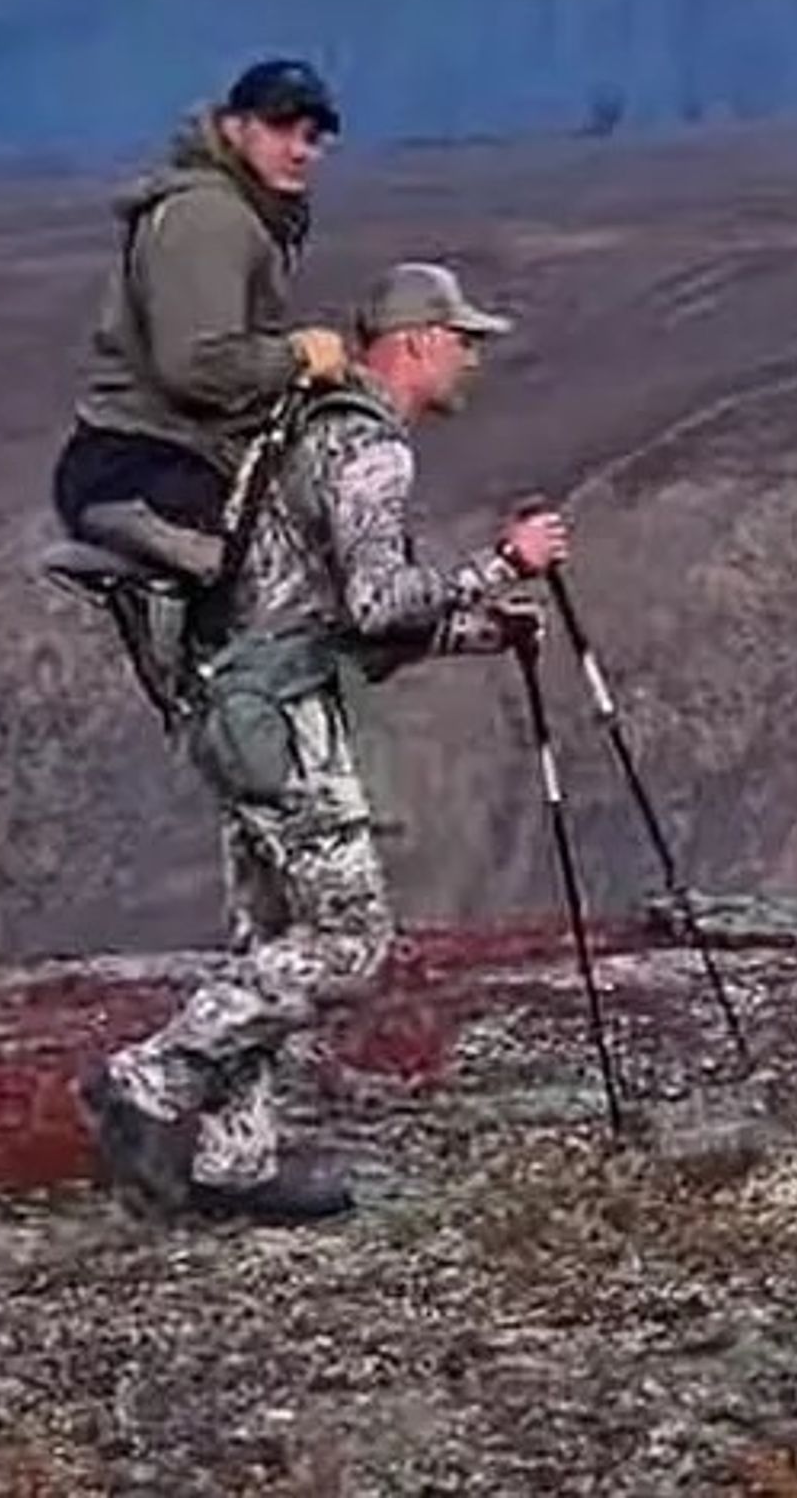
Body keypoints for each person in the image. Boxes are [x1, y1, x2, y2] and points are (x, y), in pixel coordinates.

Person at [74, 259, 565, 1224]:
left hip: (233, 707)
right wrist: (501, 565)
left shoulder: (306, 429)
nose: (471, 362)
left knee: (269, 938)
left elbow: (331, 616)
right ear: (416, 342)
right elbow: (378, 603)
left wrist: (480, 627)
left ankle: (234, 1163)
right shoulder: (371, 451)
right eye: (462, 343)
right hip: (284, 725)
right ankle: (147, 1080)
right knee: (347, 943)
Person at [50, 58, 353, 584]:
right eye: (281, 128)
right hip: (150, 469)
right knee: (286, 588)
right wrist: (297, 356)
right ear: (235, 127)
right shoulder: (210, 215)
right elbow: (198, 364)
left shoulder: (240, 210)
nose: (301, 150)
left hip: (144, 464)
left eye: (313, 138)